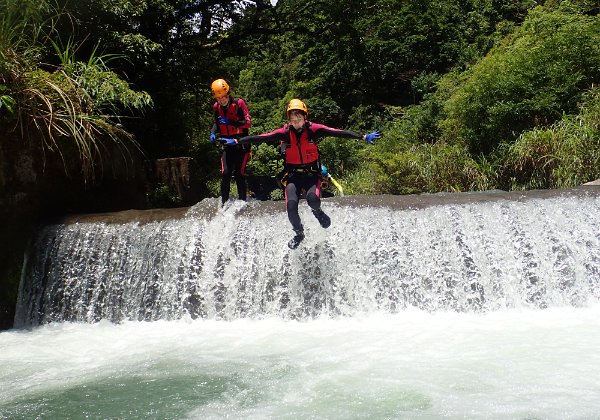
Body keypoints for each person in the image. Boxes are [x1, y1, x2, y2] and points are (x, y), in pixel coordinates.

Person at [220, 98, 381, 249]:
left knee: (313, 199)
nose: (296, 123)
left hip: (311, 175)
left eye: (299, 119)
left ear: (305, 117)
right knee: (291, 206)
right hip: (293, 176)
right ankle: (299, 233)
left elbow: (337, 132)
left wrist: (363, 136)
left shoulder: (313, 129)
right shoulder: (285, 132)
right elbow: (261, 137)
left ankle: (317, 212)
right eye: (293, 120)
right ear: (289, 119)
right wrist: (237, 141)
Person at [209, 78, 252, 206]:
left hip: (241, 145)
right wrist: (212, 132)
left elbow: (248, 123)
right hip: (227, 145)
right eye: (219, 98)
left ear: (228, 94)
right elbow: (217, 123)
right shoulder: (216, 107)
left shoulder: (239, 104)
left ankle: (243, 203)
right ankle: (224, 204)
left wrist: (231, 122)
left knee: (239, 174)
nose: (221, 100)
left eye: (223, 97)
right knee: (226, 173)